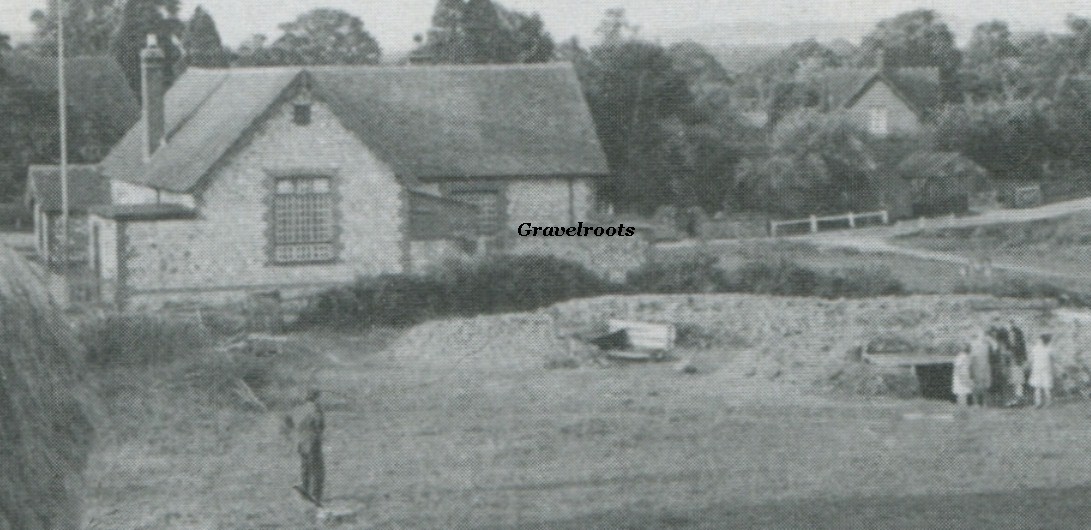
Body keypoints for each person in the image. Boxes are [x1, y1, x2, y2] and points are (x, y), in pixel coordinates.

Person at [285, 389, 325, 506]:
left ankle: (305, 489)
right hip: (313, 442)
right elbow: (320, 425)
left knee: (305, 467)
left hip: (300, 442)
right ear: (316, 397)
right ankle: (316, 496)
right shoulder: (315, 409)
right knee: (317, 470)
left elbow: (289, 422)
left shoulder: (298, 409)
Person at [1029, 334, 1055, 409]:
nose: (1038, 341)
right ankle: (1040, 402)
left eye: (1039, 340)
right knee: (1040, 386)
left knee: (1043, 386)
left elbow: (1031, 359)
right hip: (1040, 369)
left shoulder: (1038, 348)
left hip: (1041, 369)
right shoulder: (1047, 348)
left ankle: (1044, 402)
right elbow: (1053, 358)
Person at [969, 329, 993, 407]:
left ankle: (984, 402)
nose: (983, 337)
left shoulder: (986, 345)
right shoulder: (974, 344)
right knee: (976, 385)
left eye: (983, 335)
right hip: (977, 366)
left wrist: (990, 340)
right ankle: (976, 403)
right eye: (981, 335)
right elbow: (972, 357)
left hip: (985, 366)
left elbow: (995, 347)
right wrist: (972, 368)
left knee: (985, 385)